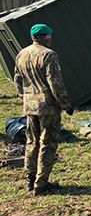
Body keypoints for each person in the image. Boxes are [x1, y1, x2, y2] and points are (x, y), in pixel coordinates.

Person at [13, 24, 73, 196]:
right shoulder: (49, 55)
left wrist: (23, 97)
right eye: (49, 35)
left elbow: (17, 80)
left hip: (30, 106)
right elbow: (54, 82)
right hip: (47, 107)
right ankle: (41, 183)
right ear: (44, 37)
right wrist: (65, 104)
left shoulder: (21, 54)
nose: (50, 38)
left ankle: (30, 178)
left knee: (32, 142)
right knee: (48, 144)